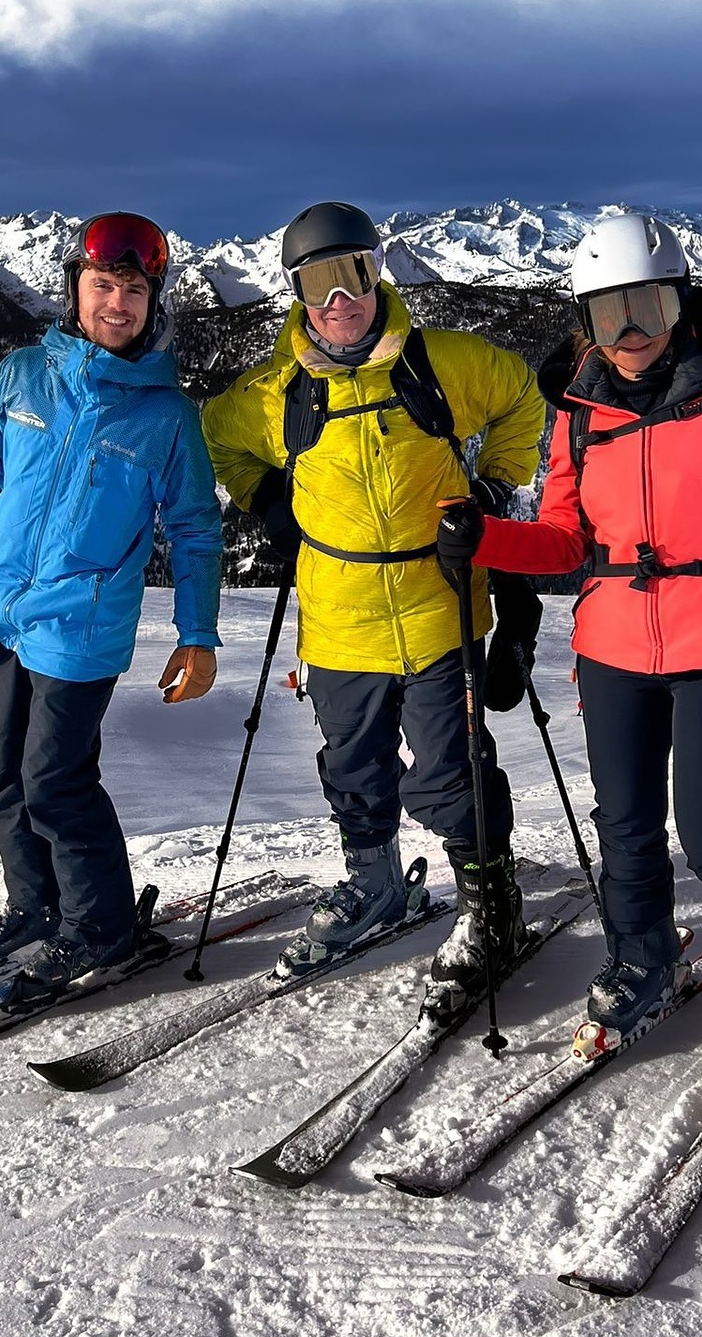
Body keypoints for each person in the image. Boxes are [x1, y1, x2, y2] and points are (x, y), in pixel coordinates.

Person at [436, 210, 702, 1101]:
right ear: (585, 323)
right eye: (609, 314)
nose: (630, 331)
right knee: (625, 826)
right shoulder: (575, 412)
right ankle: (640, 961)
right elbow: (563, 538)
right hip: (614, 640)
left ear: (679, 301)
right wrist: (486, 540)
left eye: (647, 306)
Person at [203, 201, 545, 994]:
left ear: (377, 267)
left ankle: (489, 898)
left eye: (351, 273)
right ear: (294, 289)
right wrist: (264, 500)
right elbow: (218, 436)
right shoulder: (272, 391)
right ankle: (375, 882)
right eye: (316, 282)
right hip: (339, 618)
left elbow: (523, 397)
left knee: (447, 771)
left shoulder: (443, 363)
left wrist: (493, 488)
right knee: (353, 765)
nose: (338, 299)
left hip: (440, 605)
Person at [0, 212, 224, 1007]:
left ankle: (100, 922)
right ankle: (34, 905)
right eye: (102, 285)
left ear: (155, 303)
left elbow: (194, 531)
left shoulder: (167, 416)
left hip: (83, 628)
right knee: (8, 779)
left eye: (133, 289)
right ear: (74, 290)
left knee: (55, 780)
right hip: (3, 613)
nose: (116, 303)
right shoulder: (20, 376)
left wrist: (198, 634)